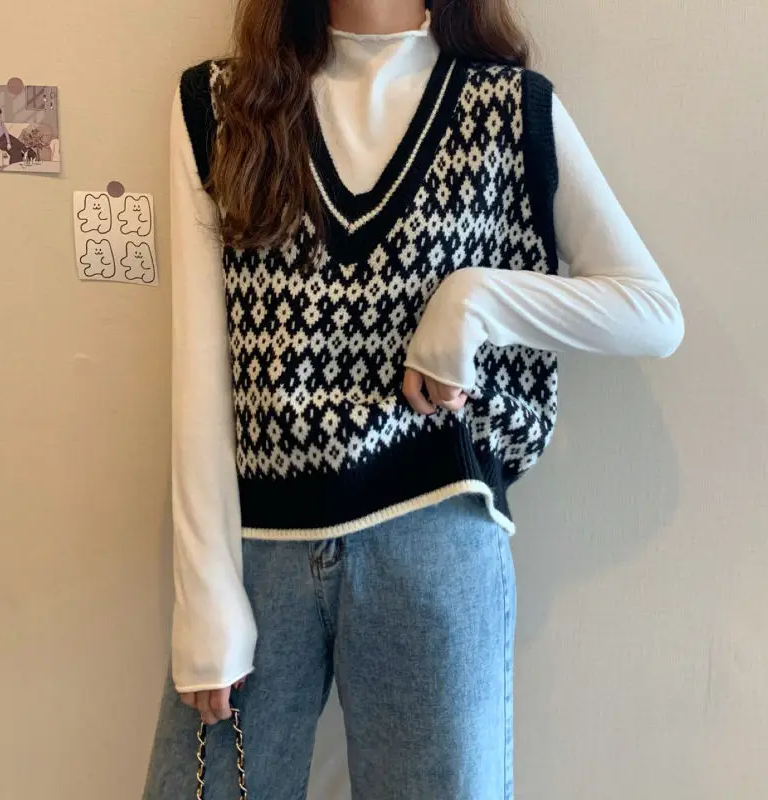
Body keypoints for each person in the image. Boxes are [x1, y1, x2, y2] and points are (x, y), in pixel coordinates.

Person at [143, 1, 684, 797]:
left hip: (434, 535)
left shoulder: (508, 108)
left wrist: (475, 300)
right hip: (254, 548)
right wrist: (204, 594)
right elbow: (200, 368)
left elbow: (650, 311)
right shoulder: (223, 105)